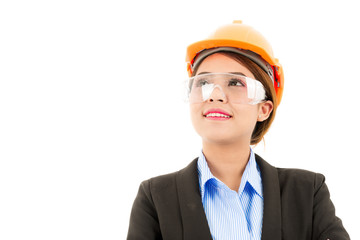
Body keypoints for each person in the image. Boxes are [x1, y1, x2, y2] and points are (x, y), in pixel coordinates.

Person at [127, 20, 350, 240]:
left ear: (264, 108)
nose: (215, 95)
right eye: (203, 83)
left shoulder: (307, 193)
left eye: (235, 83)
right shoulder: (155, 199)